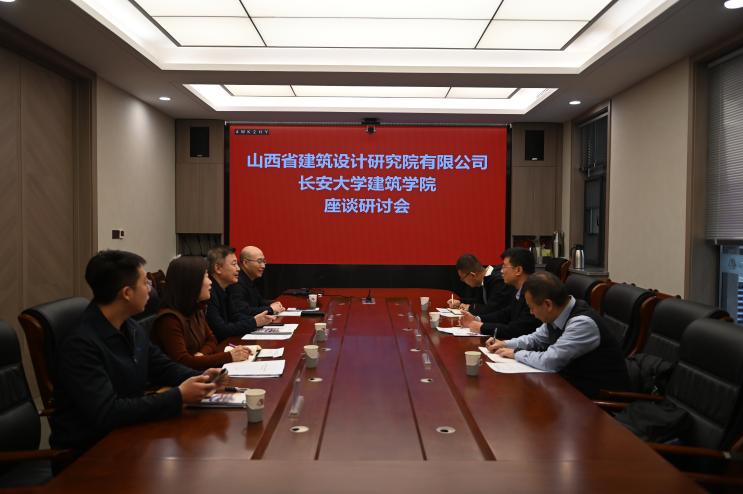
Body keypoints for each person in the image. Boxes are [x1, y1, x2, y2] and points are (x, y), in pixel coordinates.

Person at [50, 250, 223, 452]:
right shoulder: (81, 344)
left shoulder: (130, 327)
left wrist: (202, 376)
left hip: (131, 433)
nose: (150, 289)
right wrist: (178, 396)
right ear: (126, 293)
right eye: (145, 283)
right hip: (92, 451)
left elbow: (161, 366)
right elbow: (107, 412)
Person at [488, 271, 629, 398]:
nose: (531, 313)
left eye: (532, 308)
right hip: (569, 387)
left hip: (596, 399)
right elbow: (536, 338)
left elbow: (550, 361)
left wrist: (516, 353)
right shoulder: (558, 313)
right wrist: (505, 343)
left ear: (547, 304)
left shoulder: (582, 323)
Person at [152, 256, 253, 370]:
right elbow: (183, 362)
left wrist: (201, 355)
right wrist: (229, 356)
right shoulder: (169, 319)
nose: (210, 282)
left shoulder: (196, 308)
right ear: (191, 282)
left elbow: (212, 340)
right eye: (206, 277)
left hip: (199, 371)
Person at [460, 247, 540, 339]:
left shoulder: (534, 295)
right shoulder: (520, 291)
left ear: (518, 270)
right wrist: (477, 319)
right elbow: (505, 314)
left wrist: (482, 327)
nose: (501, 271)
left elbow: (516, 330)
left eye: (504, 266)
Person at [205, 245, 275, 340]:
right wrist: (254, 322)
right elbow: (221, 330)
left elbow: (236, 316)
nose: (238, 268)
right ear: (218, 268)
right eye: (234, 264)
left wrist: (258, 320)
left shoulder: (224, 289)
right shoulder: (209, 293)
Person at [228, 245, 285, 322]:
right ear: (245, 263)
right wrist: (270, 309)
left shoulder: (248, 279)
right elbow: (243, 311)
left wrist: (274, 303)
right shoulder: (237, 282)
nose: (263, 266)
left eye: (264, 261)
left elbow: (259, 302)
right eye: (259, 261)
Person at [449, 253, 515, 316]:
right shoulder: (484, 279)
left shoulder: (498, 281)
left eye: (463, 278)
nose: (463, 281)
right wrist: (460, 302)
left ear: (472, 275)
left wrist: (470, 308)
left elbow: (493, 309)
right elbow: (480, 301)